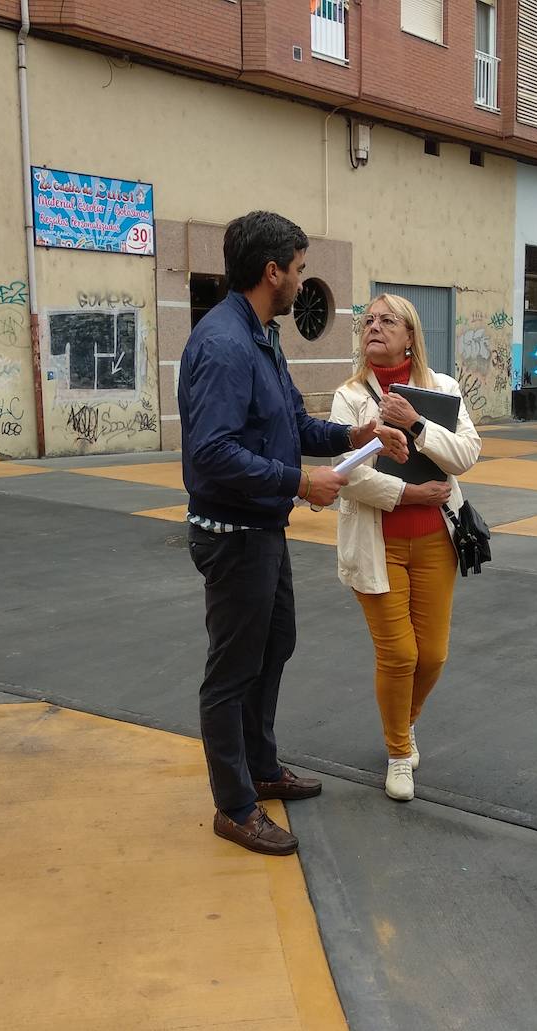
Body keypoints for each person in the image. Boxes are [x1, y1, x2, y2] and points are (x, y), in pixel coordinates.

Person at [178, 211, 409, 856]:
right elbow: (212, 452)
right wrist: (299, 484)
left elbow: (287, 423)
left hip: (261, 527)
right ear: (271, 271)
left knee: (274, 646)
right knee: (231, 671)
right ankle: (234, 804)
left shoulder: (260, 334)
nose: (303, 282)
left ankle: (260, 765)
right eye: (300, 269)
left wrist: (353, 437)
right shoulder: (224, 344)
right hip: (233, 533)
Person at [328, 294, 481, 801]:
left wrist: (415, 423)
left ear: (410, 334)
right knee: (399, 655)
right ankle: (398, 752)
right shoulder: (350, 397)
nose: (374, 327)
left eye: (387, 320)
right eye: (367, 320)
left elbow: (466, 455)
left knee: (432, 656)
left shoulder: (443, 389)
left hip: (437, 542)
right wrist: (409, 493)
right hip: (378, 545)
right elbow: (346, 479)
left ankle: (404, 720)